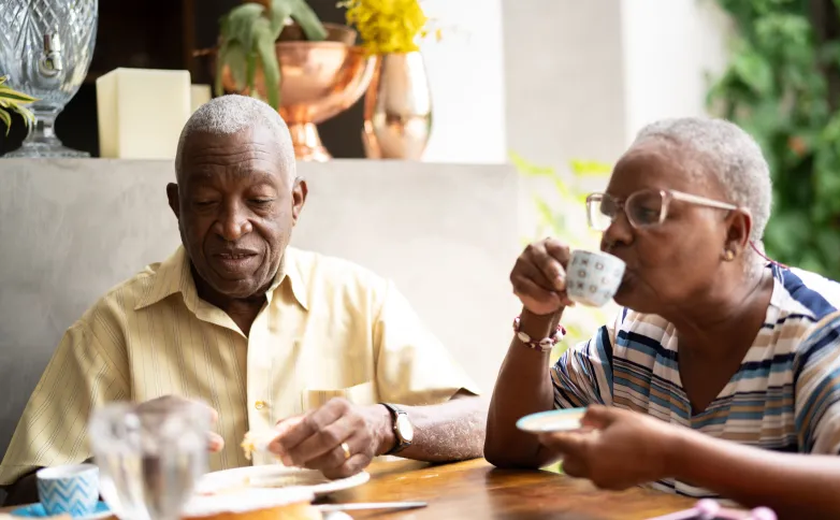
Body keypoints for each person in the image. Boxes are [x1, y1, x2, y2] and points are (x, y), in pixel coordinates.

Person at [1, 95, 485, 505]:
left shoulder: (362, 299)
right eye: (207, 202)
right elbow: (21, 491)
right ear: (176, 205)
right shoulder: (113, 327)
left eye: (259, 200)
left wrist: (386, 424)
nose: (233, 226)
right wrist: (119, 460)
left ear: (295, 202)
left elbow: (479, 421)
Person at [485, 117, 840, 519]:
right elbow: (516, 447)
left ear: (733, 235)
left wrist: (672, 454)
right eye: (611, 211)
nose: (613, 233)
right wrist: (539, 316)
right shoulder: (638, 333)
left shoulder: (822, 332)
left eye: (647, 211)